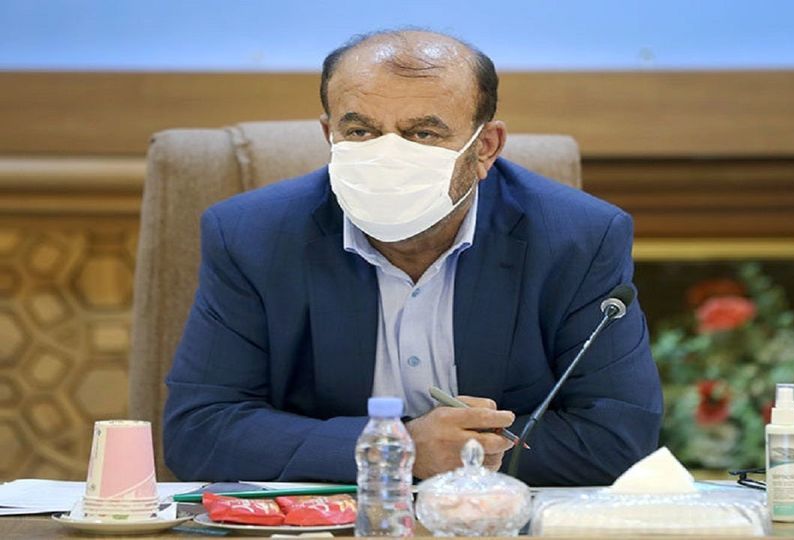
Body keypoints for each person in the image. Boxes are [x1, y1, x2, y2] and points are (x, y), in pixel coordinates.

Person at [163, 29, 662, 486]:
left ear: (485, 148)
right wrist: (399, 450)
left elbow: (618, 438)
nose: (388, 156)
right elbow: (199, 431)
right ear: (329, 135)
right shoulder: (252, 236)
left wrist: (463, 453)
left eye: (423, 133)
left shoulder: (578, 238)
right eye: (360, 132)